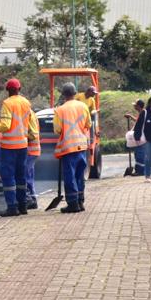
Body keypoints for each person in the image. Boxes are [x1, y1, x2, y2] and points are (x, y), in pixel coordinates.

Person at [0, 78, 37, 217]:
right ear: (19, 89)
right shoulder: (26, 103)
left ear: (8, 90)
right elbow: (29, 123)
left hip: (9, 147)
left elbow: (5, 126)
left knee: (8, 177)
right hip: (23, 146)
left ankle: (12, 207)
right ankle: (23, 206)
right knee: (21, 177)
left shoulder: (7, 103)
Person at [53, 82, 92, 213]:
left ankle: (73, 203)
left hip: (68, 148)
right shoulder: (83, 106)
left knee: (70, 175)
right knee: (80, 174)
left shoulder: (60, 110)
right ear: (75, 93)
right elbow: (88, 124)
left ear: (64, 95)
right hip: (82, 146)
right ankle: (80, 201)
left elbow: (57, 129)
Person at [125, 99, 147, 174]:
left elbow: (140, 124)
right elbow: (137, 121)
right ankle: (139, 170)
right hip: (140, 136)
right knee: (138, 153)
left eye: (135, 105)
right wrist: (131, 117)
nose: (134, 107)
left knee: (140, 154)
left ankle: (141, 171)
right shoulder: (141, 113)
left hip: (141, 137)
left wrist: (137, 136)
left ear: (138, 106)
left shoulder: (143, 113)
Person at [25, 110, 41, 209]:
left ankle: (29, 200)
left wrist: (22, 135)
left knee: (26, 176)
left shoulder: (27, 114)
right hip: (32, 151)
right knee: (29, 176)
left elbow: (33, 134)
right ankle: (32, 200)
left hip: (30, 151)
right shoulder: (32, 114)